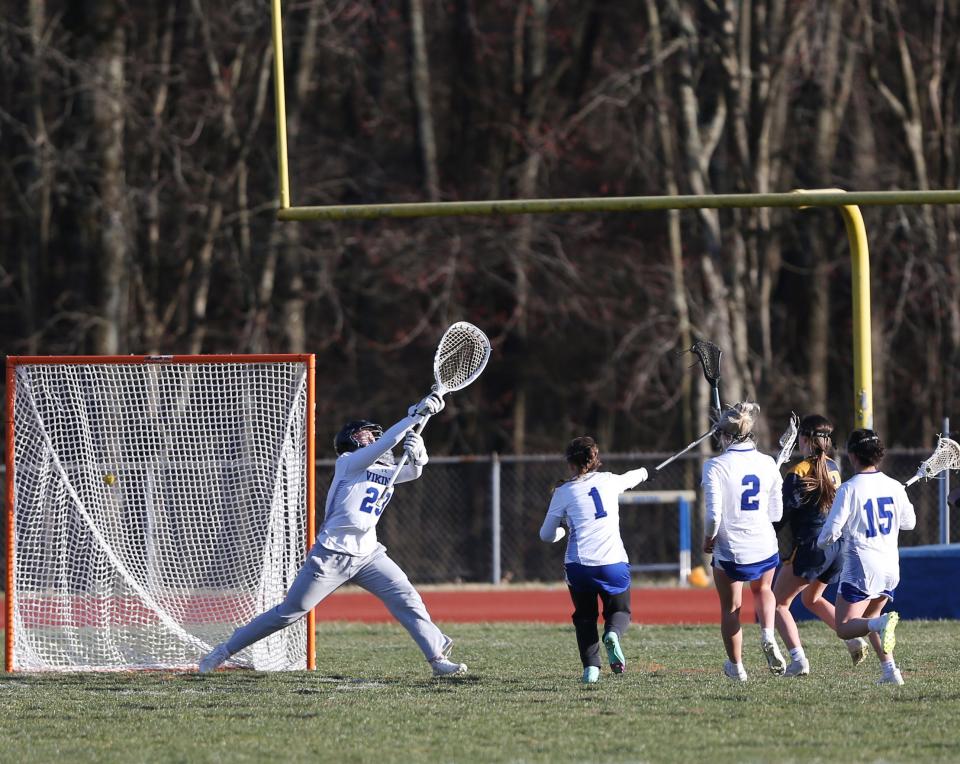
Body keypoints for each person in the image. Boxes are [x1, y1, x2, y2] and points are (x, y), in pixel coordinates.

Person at [199, 392, 468, 677]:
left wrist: (420, 455)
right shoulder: (349, 463)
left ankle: (437, 659)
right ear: (352, 440)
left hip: (368, 554)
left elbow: (411, 472)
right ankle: (223, 651)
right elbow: (388, 442)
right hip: (332, 554)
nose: (373, 439)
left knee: (407, 599)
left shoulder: (384, 469)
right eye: (367, 435)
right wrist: (412, 416)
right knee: (289, 613)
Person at [539, 436, 649, 684]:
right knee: (620, 609)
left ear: (570, 463)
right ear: (595, 459)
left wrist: (562, 531)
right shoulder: (610, 480)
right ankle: (612, 634)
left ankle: (591, 669)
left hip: (579, 567)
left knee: (585, 616)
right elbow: (633, 476)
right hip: (613, 563)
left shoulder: (563, 492)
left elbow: (546, 535)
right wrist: (646, 472)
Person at [817, 429, 915, 685]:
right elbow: (910, 523)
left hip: (861, 567)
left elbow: (830, 532)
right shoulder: (895, 486)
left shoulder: (849, 489)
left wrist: (820, 542)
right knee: (870, 620)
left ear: (852, 456)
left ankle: (882, 625)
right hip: (890, 567)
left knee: (845, 626)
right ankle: (891, 672)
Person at [772, 415, 868, 677]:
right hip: (838, 548)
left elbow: (784, 515)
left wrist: (766, 532)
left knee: (777, 603)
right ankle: (852, 639)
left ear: (803, 439)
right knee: (811, 598)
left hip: (815, 546)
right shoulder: (833, 466)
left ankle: (798, 659)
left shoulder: (797, 472)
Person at [702, 402, 786, 681]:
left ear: (724, 435)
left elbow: (714, 515)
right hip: (764, 544)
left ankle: (737, 668)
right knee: (763, 590)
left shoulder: (714, 466)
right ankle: (767, 634)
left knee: (731, 607)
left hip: (731, 549)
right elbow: (777, 513)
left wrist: (708, 539)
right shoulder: (767, 463)